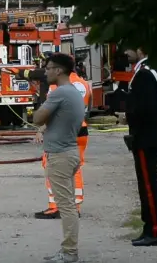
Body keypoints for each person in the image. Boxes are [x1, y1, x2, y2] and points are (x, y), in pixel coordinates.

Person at [31, 53, 85, 263]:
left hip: (60, 156)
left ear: (59, 70)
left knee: (66, 206)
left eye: (48, 68)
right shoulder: (73, 92)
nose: (45, 71)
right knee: (68, 203)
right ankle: (69, 250)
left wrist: (41, 110)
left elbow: (37, 118)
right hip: (70, 151)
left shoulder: (59, 93)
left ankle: (70, 252)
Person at [124, 48, 157, 246]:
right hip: (146, 135)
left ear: (140, 49)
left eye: (129, 48)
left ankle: (156, 229)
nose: (125, 52)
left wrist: (130, 118)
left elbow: (146, 107)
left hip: (145, 137)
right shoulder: (145, 71)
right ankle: (149, 226)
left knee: (149, 184)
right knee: (146, 184)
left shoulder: (145, 73)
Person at [35, 69, 91, 220]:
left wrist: (42, 129)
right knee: (76, 168)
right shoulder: (84, 84)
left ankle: (56, 207)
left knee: (52, 166)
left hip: (62, 131)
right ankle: (75, 206)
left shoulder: (59, 87)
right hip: (81, 129)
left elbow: (52, 111)